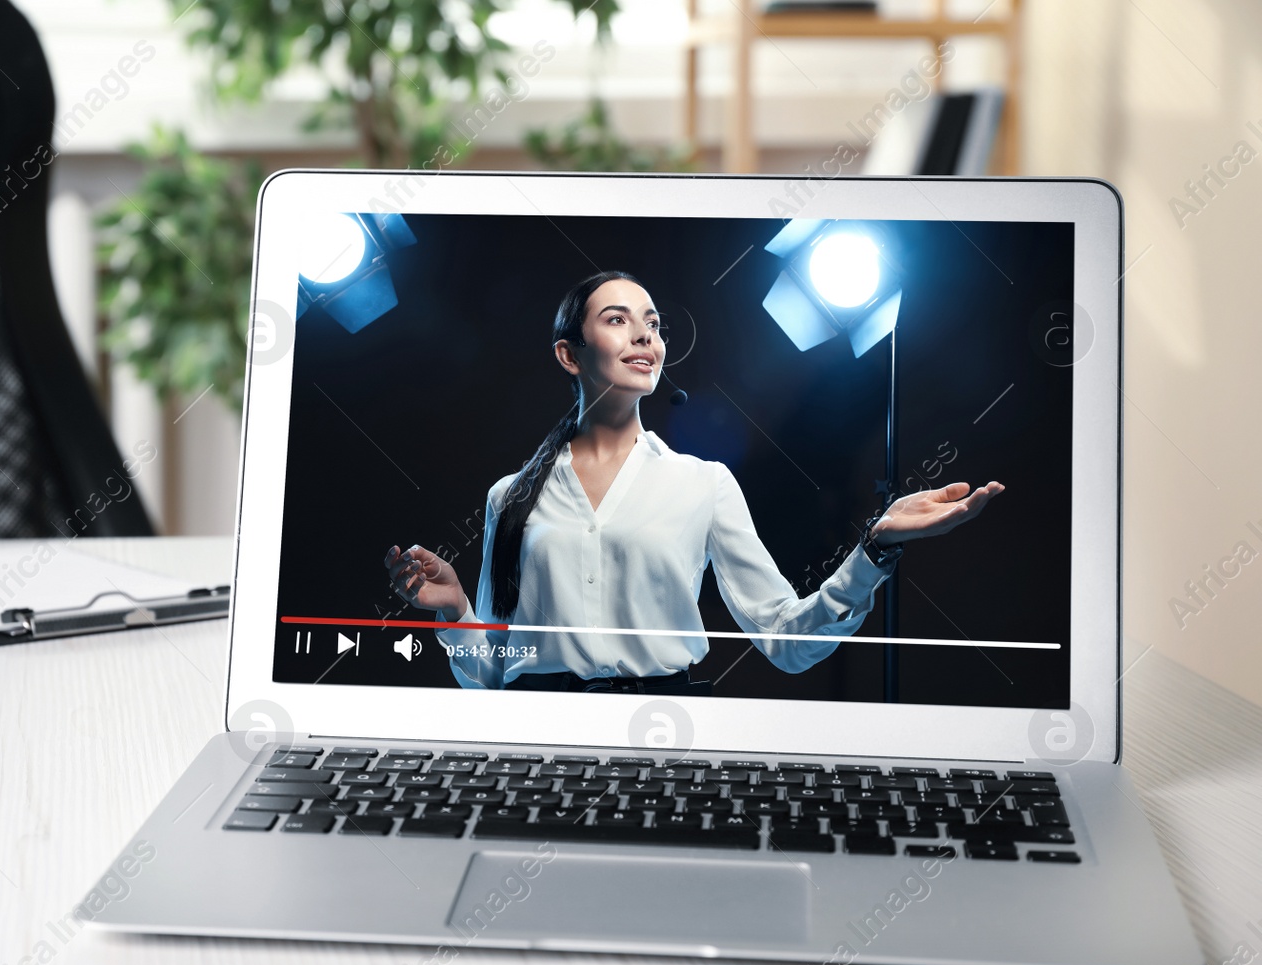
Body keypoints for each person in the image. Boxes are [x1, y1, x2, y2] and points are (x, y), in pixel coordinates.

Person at [382, 271, 1003, 693]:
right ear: (570, 354)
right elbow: (490, 675)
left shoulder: (704, 484)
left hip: (665, 740)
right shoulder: (509, 497)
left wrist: (876, 548)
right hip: (542, 743)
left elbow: (786, 640)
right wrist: (457, 611)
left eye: (651, 323)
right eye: (618, 319)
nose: (644, 335)